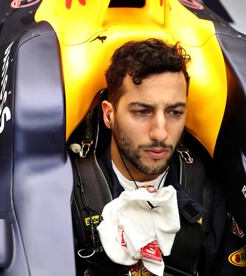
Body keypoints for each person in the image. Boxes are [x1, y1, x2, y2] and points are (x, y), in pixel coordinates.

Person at [70, 38, 244, 275]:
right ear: (109, 115)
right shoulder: (69, 195)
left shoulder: (207, 194)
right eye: (142, 111)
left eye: (174, 112)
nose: (160, 133)